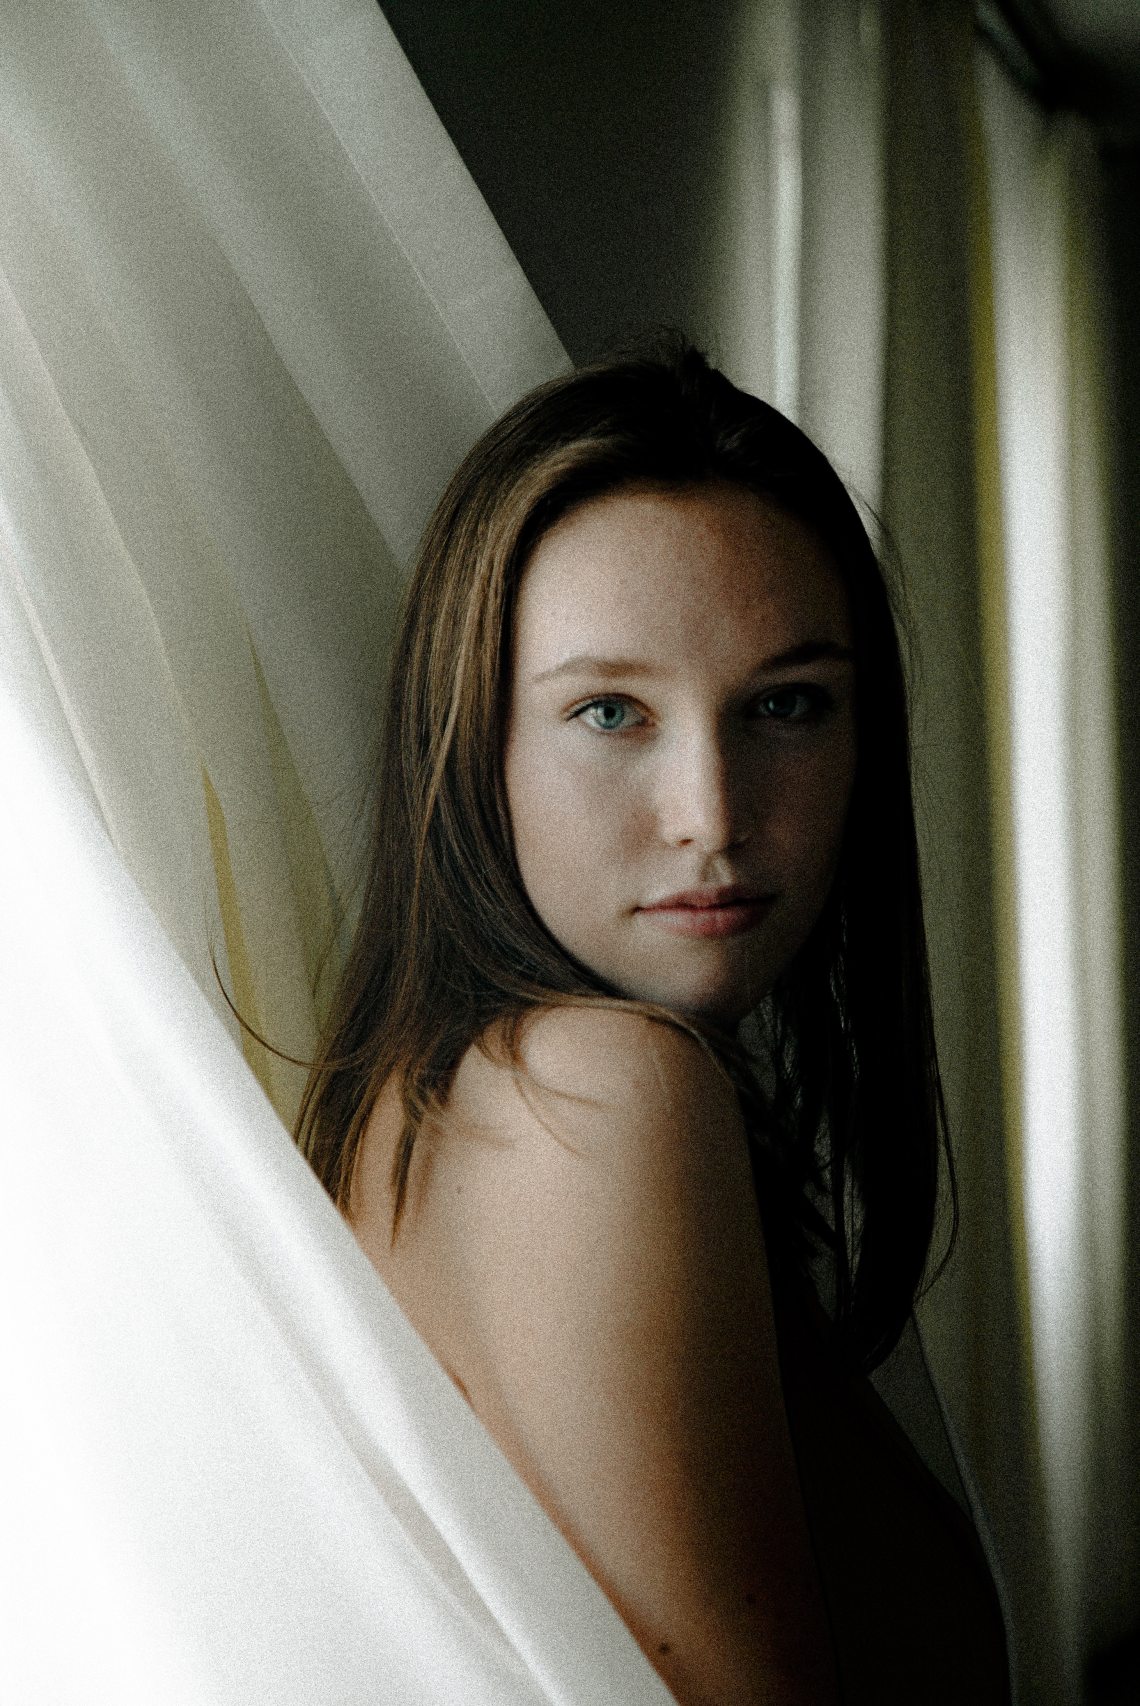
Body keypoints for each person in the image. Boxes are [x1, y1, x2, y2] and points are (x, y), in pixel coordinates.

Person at [295, 337, 1011, 1703]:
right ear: (473, 742)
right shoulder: (598, 1089)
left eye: (787, 706)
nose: (713, 814)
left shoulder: (444, 1096)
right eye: (612, 711)